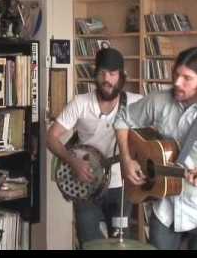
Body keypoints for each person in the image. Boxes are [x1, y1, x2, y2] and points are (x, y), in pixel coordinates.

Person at [115, 46, 197, 250]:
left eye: (187, 78)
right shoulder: (159, 100)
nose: (177, 82)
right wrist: (127, 160)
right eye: (176, 74)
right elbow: (122, 119)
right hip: (164, 210)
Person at [47, 48, 143, 246]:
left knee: (121, 244)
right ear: (95, 75)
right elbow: (51, 137)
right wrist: (73, 162)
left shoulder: (136, 103)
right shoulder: (80, 103)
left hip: (122, 188)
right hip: (86, 187)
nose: (107, 79)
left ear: (122, 76)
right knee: (90, 244)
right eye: (102, 73)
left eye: (112, 74)